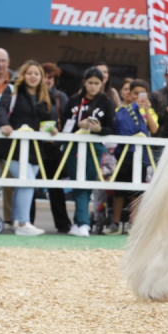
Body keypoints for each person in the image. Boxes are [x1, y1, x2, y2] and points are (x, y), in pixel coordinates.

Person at [0, 61, 56, 237]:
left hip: (35, 150)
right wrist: (4, 125)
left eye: (36, 74)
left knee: (25, 183)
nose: (33, 77)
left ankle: (16, 221)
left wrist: (51, 128)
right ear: (23, 74)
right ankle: (23, 222)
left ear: (41, 77)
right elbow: (1, 110)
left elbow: (45, 119)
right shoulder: (12, 90)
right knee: (27, 181)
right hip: (13, 147)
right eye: (29, 73)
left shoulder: (44, 95)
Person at [62, 67, 115, 237]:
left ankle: (81, 222)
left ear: (102, 84)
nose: (93, 86)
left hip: (95, 148)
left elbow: (111, 128)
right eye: (90, 83)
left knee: (88, 182)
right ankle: (81, 222)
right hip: (73, 147)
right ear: (84, 82)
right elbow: (64, 125)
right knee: (78, 183)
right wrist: (78, 124)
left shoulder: (106, 102)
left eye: (96, 83)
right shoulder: (73, 101)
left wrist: (99, 129)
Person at [106, 78, 158, 235]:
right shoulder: (122, 111)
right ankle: (115, 223)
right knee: (119, 191)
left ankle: (132, 223)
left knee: (136, 192)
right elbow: (119, 126)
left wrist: (147, 110)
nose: (138, 97)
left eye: (142, 94)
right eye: (135, 93)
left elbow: (154, 129)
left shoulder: (149, 111)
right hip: (124, 155)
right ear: (129, 94)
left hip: (141, 156)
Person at [39, 62, 72, 233]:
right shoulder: (31, 95)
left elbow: (67, 122)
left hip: (53, 150)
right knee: (28, 185)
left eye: (51, 77)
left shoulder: (61, 97)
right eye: (45, 76)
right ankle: (26, 221)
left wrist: (58, 138)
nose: (47, 80)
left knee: (55, 188)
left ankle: (63, 224)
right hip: (34, 148)